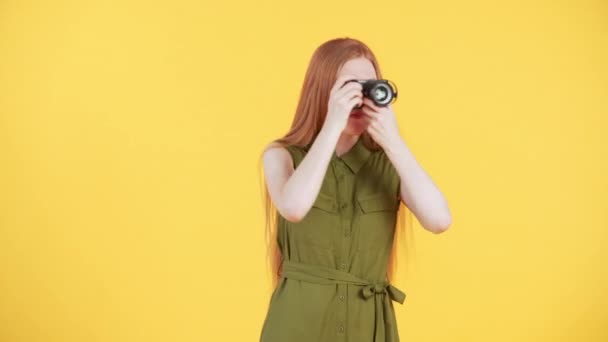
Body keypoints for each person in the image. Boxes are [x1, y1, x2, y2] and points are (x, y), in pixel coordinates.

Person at [258, 37, 452, 342]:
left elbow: (439, 220)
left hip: (368, 327)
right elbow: (294, 207)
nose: (362, 98)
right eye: (350, 87)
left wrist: (393, 141)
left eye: (371, 87)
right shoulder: (281, 155)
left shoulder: (388, 163)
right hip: (298, 325)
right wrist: (332, 124)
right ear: (323, 91)